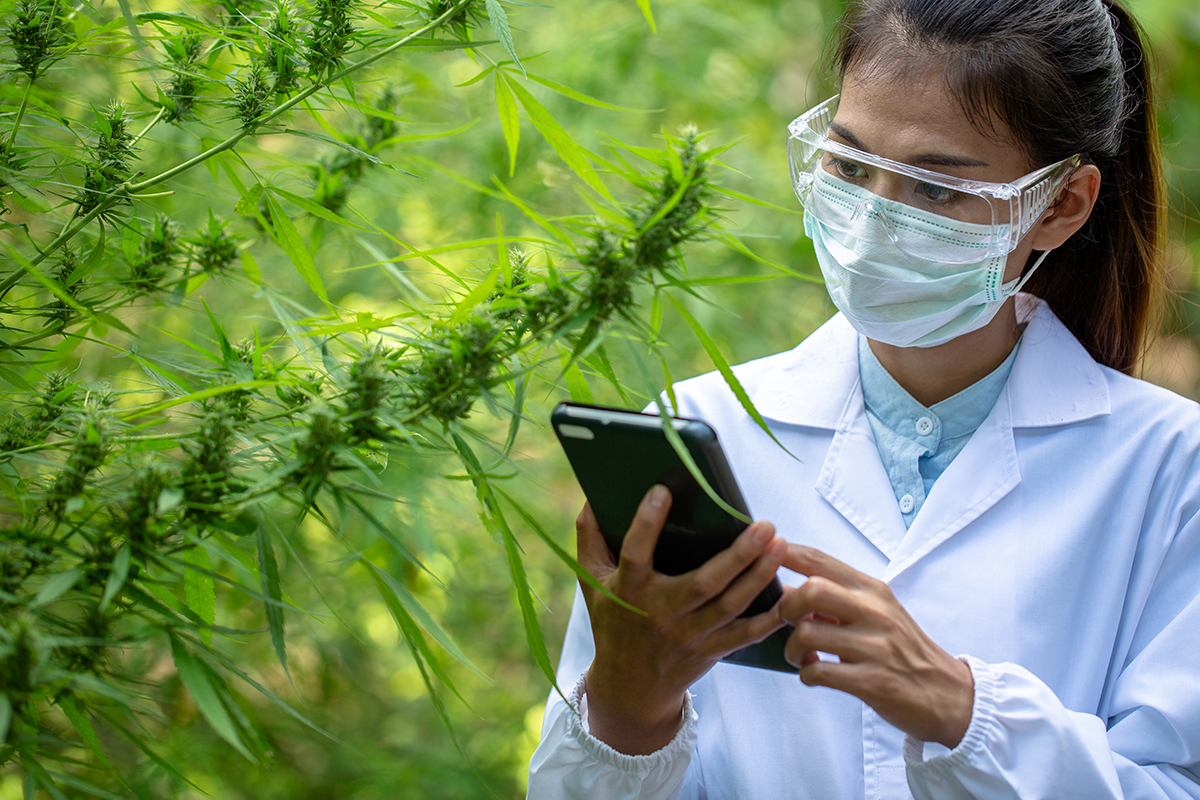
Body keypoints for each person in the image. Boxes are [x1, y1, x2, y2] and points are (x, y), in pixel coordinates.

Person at [526, 0, 1200, 797]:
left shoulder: (1172, 468)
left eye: (936, 189)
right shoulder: (708, 428)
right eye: (849, 167)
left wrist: (963, 712)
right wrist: (628, 707)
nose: (873, 220)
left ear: (1059, 205)